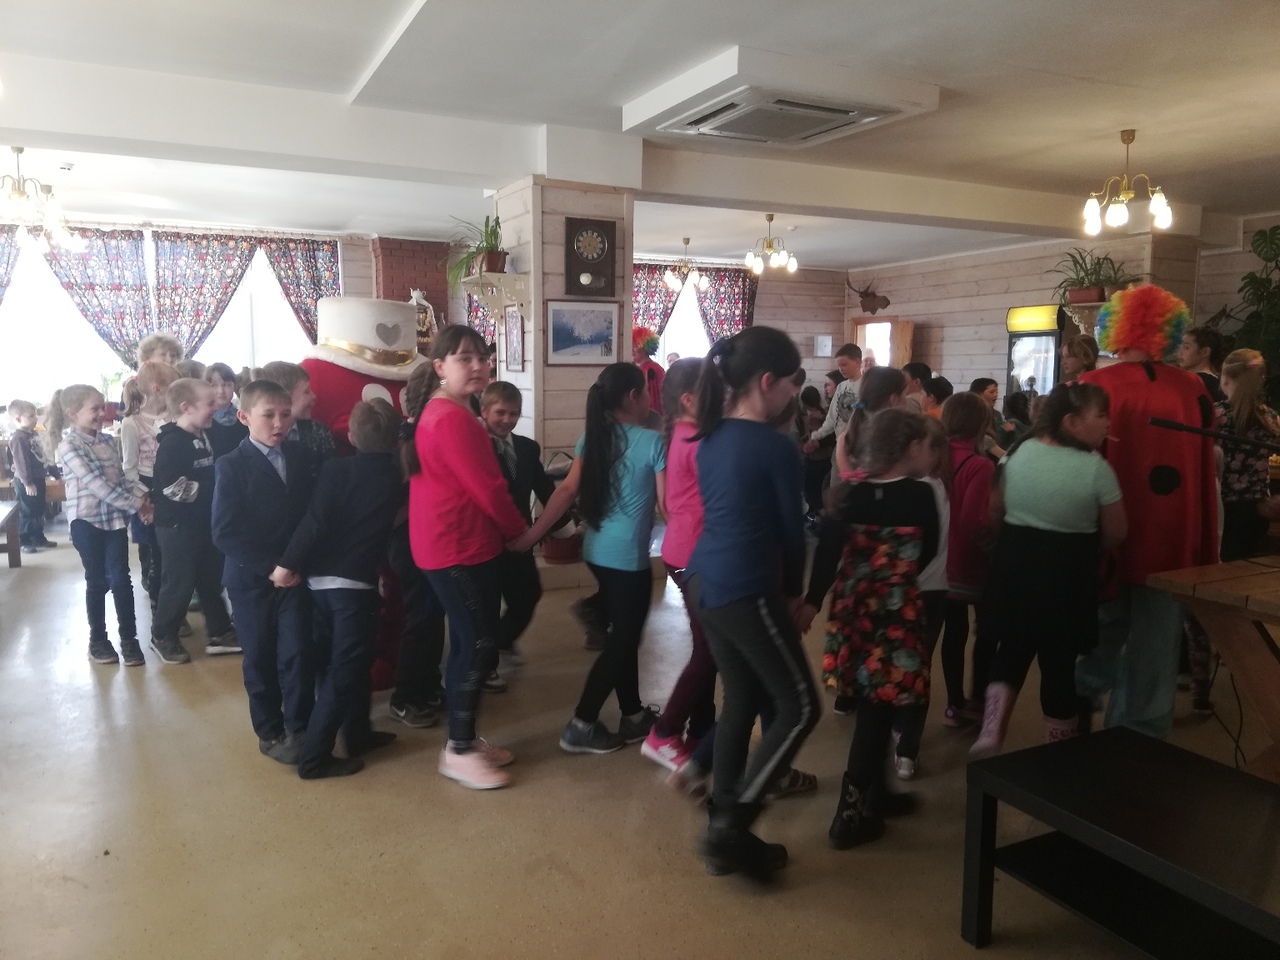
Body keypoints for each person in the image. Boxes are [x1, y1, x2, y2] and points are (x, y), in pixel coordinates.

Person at [684, 325, 816, 881]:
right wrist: (796, 595)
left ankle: (722, 813)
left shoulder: (710, 436)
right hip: (743, 588)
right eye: (791, 384)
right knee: (800, 706)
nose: (793, 395)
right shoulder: (775, 446)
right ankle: (731, 829)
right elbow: (791, 529)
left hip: (703, 582)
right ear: (767, 383)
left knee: (741, 695)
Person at [1076, 285, 1217, 739]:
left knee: (1100, 624)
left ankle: (1078, 699)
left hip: (1109, 529)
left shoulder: (1094, 385)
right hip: (1173, 531)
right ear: (1168, 331)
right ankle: (1137, 738)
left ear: (1115, 330)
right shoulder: (1193, 388)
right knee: (1157, 640)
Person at [512, 363, 666, 756]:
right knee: (622, 643)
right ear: (633, 396)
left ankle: (633, 715)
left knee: (622, 638)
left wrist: (531, 535)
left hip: (597, 551)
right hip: (627, 558)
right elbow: (668, 507)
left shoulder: (592, 438)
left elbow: (564, 492)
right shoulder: (653, 442)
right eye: (645, 393)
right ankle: (582, 724)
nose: (650, 401)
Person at [800, 408, 938, 847]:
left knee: (871, 703)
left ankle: (878, 794)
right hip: (897, 613)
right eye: (926, 446)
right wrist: (895, 576)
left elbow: (826, 555)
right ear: (910, 448)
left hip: (853, 609)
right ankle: (849, 816)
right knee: (880, 711)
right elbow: (928, 551)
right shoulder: (921, 494)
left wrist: (811, 602)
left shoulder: (847, 492)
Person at [972, 383, 1125, 755]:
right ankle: (1058, 751)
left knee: (1010, 649)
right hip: (1067, 574)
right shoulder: (1096, 468)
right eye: (1101, 415)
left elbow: (995, 509)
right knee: (1059, 663)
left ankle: (991, 730)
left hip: (1014, 565)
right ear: (1071, 421)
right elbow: (1117, 531)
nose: (1108, 423)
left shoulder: (1016, 453)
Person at [406, 325, 529, 790]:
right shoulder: (451, 417)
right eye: (464, 358)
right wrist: (519, 532)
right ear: (440, 366)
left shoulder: (454, 409)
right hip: (455, 547)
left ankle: (465, 739)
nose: (478, 366)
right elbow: (489, 488)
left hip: (456, 543)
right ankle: (458, 749)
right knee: (477, 643)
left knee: (468, 641)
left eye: (482, 357)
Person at [272, 399, 404, 780]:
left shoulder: (334, 469)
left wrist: (287, 564)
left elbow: (315, 522)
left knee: (349, 664)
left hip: (319, 582)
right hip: (356, 587)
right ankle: (315, 757)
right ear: (395, 440)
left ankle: (358, 734)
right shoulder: (395, 475)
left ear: (352, 437)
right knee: (346, 669)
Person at [212, 379, 320, 766]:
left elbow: (311, 514)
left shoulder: (301, 455)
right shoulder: (231, 465)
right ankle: (270, 729)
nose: (279, 423)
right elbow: (224, 531)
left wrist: (294, 563)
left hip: (295, 573)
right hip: (251, 579)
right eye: (268, 415)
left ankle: (300, 726)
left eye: (286, 415)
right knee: (259, 655)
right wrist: (271, 568)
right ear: (244, 417)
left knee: (298, 651)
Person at [641, 359, 711, 770]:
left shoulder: (684, 433)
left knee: (708, 648)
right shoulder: (697, 440)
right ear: (688, 399)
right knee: (709, 651)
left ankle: (700, 729)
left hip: (684, 552)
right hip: (693, 557)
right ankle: (665, 732)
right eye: (714, 389)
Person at [49, 384, 151, 666]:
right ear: (73, 413)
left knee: (121, 579)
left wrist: (144, 496)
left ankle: (129, 640)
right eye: (94, 408)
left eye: (102, 407)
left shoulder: (106, 441)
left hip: (114, 520)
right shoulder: (69, 446)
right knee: (97, 580)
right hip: (87, 523)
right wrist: (137, 505)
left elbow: (121, 479)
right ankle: (98, 640)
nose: (101, 413)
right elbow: (97, 485)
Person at [149, 378, 239, 665]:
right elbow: (173, 488)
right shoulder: (172, 443)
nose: (216, 408)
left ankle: (220, 631)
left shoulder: (203, 435)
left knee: (210, 578)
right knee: (180, 582)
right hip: (176, 526)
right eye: (209, 403)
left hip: (202, 523)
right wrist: (216, 490)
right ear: (186, 407)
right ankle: (163, 634)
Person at [480, 380, 566, 669]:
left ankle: (503, 641)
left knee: (528, 595)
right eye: (500, 413)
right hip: (486, 541)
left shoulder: (528, 448)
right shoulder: (474, 447)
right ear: (484, 411)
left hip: (521, 538)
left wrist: (566, 527)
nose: (507, 419)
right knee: (487, 605)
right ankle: (486, 666)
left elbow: (545, 489)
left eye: (514, 413)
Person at [387, 365, 447, 729]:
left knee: (432, 615)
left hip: (423, 537)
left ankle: (428, 684)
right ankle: (405, 696)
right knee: (420, 618)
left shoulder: (417, 431)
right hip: (410, 539)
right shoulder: (414, 437)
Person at [891, 415, 950, 779]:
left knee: (905, 669)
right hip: (928, 588)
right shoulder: (933, 486)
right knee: (916, 668)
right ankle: (905, 745)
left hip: (916, 590)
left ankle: (904, 741)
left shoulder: (923, 487)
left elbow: (922, 548)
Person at [938, 391, 997, 727]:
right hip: (973, 564)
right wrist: (996, 548)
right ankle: (977, 700)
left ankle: (953, 703)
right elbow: (975, 521)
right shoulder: (979, 465)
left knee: (953, 634)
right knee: (986, 632)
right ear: (981, 425)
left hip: (940, 563)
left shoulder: (934, 457)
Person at [122, 361, 180, 613]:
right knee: (157, 551)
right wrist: (143, 498)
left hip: (175, 483)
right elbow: (129, 466)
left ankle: (176, 601)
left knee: (175, 550)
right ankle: (159, 604)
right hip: (148, 488)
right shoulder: (132, 423)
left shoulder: (175, 415)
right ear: (158, 389)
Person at [1215, 349, 1280, 561]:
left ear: (1225, 378)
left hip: (1220, 505)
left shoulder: (1215, 415)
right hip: (1257, 508)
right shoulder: (1271, 418)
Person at [835, 366, 907, 479]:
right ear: (894, 399)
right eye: (905, 394)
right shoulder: (898, 434)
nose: (907, 400)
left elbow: (848, 480)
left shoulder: (847, 435)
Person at [260, 361, 336, 462]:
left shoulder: (318, 432)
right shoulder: (257, 437)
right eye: (306, 391)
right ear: (284, 396)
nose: (313, 396)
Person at [7, 399, 55, 553]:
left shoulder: (33, 433)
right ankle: (24, 540)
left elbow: (44, 454)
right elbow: (21, 462)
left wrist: (53, 472)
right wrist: (27, 483)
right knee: (28, 511)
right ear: (18, 419)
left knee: (39, 509)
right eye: (31, 416)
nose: (35, 419)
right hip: (26, 481)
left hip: (38, 478)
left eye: (35, 415)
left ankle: (38, 537)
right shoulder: (18, 438)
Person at [804, 344, 862, 459]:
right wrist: (817, 436)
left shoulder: (866, 386)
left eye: (844, 364)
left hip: (859, 446)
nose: (841, 369)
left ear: (857, 362)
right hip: (840, 444)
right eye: (839, 365)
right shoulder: (841, 387)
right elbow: (832, 417)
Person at [798, 385, 832, 522]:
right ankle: (818, 515)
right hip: (826, 457)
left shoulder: (813, 417)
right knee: (819, 488)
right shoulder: (822, 412)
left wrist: (803, 445)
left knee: (810, 489)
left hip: (817, 458)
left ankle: (822, 517)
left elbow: (814, 438)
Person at [1175, 326, 1227, 402]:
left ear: (1205, 352)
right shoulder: (1216, 381)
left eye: (1186, 347)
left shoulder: (1199, 382)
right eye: (1179, 347)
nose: (1179, 352)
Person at [632, 325, 666, 416]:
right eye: (631, 345)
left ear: (646, 348)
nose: (632, 350)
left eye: (636, 346)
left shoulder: (651, 369)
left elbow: (654, 402)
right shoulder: (633, 367)